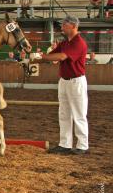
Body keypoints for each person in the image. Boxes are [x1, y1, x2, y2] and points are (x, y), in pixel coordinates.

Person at [32, 15, 89, 155]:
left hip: (76, 81)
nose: (62, 27)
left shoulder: (79, 43)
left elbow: (61, 57)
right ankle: (65, 144)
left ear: (73, 26)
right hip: (64, 81)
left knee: (79, 114)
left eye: (65, 24)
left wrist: (40, 57)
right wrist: (33, 58)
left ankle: (83, 145)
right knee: (64, 113)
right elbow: (52, 56)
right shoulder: (65, 43)